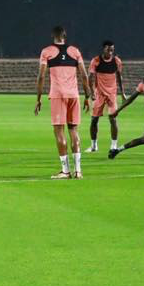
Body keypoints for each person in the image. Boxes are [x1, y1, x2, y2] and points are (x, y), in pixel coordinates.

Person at [36, 25, 92, 179]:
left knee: (59, 131)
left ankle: (65, 171)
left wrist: (38, 99)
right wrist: (87, 96)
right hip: (74, 95)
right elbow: (84, 76)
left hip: (58, 95)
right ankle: (78, 171)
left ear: (52, 36)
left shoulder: (46, 51)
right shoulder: (75, 51)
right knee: (73, 130)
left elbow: (41, 76)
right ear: (65, 35)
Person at [87, 40, 124, 153]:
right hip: (99, 94)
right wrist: (92, 92)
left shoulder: (117, 61)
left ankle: (113, 146)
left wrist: (122, 93)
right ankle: (94, 146)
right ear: (103, 49)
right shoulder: (96, 61)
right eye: (108, 49)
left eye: (112, 50)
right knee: (94, 120)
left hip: (112, 94)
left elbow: (119, 77)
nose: (110, 52)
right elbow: (90, 77)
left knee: (113, 119)